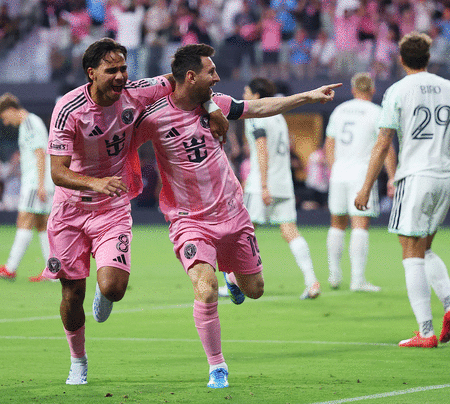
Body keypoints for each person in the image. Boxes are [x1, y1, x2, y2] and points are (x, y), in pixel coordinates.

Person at [134, 44, 341, 388]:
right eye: (211, 71)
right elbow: (119, 138)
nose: (217, 77)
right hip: (189, 219)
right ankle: (217, 366)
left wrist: (307, 96)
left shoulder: (215, 104)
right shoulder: (154, 116)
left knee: (255, 290)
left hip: (232, 213)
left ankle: (233, 277)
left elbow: (259, 107)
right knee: (206, 289)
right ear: (190, 77)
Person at [37, 38, 228, 386]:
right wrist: (95, 183)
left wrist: (212, 105)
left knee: (113, 288)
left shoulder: (138, 92)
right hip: (70, 211)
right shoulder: (68, 108)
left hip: (112, 208)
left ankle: (104, 287)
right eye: (112, 70)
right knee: (71, 294)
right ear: (91, 73)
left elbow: (186, 80)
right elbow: (57, 172)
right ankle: (78, 360)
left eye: (124, 68)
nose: (121, 76)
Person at [355, 32, 450, 348]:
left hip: (416, 176)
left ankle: (426, 331)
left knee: (410, 251)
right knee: (425, 247)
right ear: (428, 58)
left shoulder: (398, 90)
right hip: (444, 176)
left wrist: (366, 187)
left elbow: (383, 142)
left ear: (401, 59)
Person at [240, 77, 320, 300]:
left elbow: (262, 149)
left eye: (247, 92)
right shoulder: (279, 116)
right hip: (284, 184)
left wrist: (264, 185)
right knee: (290, 231)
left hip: (261, 184)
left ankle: (234, 284)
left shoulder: (255, 115)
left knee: (242, 234)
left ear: (257, 96)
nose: (244, 96)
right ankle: (311, 281)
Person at [325, 73, 396, 292]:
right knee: (360, 224)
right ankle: (358, 280)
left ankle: (334, 275)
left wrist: (334, 169)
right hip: (362, 174)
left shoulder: (339, 110)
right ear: (372, 90)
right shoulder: (377, 112)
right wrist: (392, 176)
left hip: (339, 173)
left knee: (337, 223)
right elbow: (386, 147)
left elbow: (329, 144)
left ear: (353, 89)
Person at [0, 93, 55, 282]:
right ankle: (53, 271)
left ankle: (10, 268)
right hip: (39, 182)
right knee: (42, 224)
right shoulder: (29, 123)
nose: (6, 122)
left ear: (10, 110)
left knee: (24, 219)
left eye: (4, 117)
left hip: (35, 184)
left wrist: (40, 185)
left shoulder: (30, 124)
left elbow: (40, 153)